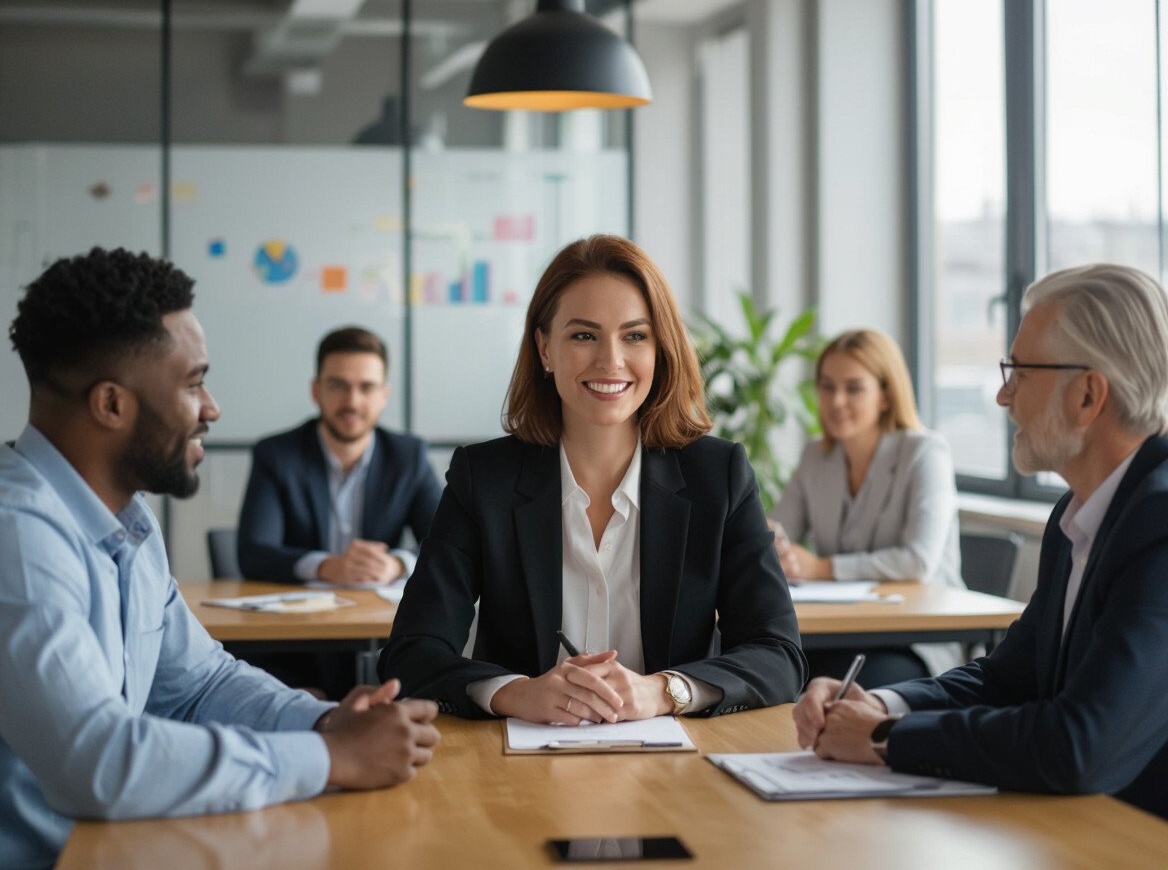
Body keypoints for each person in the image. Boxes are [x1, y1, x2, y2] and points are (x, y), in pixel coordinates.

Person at [0, 248, 440, 870]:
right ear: (111, 405)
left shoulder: (130, 524)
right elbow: (97, 762)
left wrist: (323, 722)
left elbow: (200, 683)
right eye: (192, 383)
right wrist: (332, 759)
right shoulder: (17, 538)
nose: (212, 409)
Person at [793, 264, 1168, 820]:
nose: (1001, 395)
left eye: (1020, 372)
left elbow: (1079, 744)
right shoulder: (1075, 515)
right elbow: (1005, 676)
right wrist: (879, 704)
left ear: (1088, 395)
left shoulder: (1159, 525)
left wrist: (886, 738)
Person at [379, 234, 806, 723]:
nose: (610, 360)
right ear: (544, 348)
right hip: (515, 769)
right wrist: (516, 693)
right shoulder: (485, 479)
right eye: (583, 335)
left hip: (676, 767)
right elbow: (410, 654)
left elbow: (778, 655)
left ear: (660, 349)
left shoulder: (719, 475)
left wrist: (664, 692)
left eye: (635, 336)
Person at [772, 329, 962, 686]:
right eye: (827, 386)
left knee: (831, 687)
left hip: (912, 642)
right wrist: (775, 546)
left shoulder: (925, 453)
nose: (836, 401)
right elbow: (778, 530)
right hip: (837, 633)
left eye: (854, 388)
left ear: (886, 395)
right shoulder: (817, 456)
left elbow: (916, 561)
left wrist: (820, 567)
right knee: (768, 672)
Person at [237, 326, 442, 587]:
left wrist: (397, 563)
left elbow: (449, 543)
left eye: (366, 387)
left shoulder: (409, 457)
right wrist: (326, 566)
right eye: (337, 385)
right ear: (316, 391)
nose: (352, 402)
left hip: (379, 620)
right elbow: (253, 553)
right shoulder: (276, 455)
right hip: (299, 622)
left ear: (384, 396)